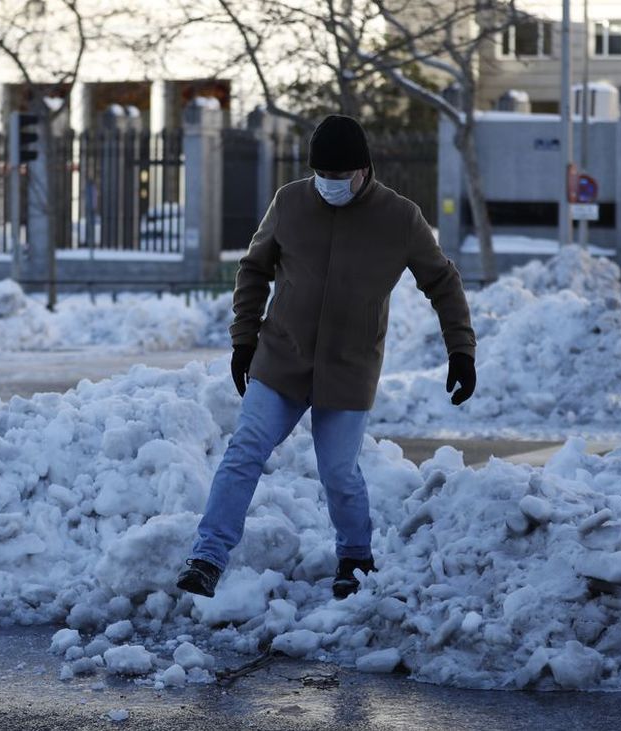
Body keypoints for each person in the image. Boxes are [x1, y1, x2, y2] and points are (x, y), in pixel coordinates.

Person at [176, 114, 477, 600]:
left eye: (340, 177)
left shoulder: (400, 218)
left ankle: (355, 556)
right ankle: (207, 556)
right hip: (281, 358)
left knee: (338, 470)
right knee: (244, 450)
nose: (329, 185)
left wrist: (460, 350)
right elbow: (254, 268)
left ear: (363, 170)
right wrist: (244, 338)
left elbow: (442, 282)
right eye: (322, 175)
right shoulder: (291, 202)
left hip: (348, 368)